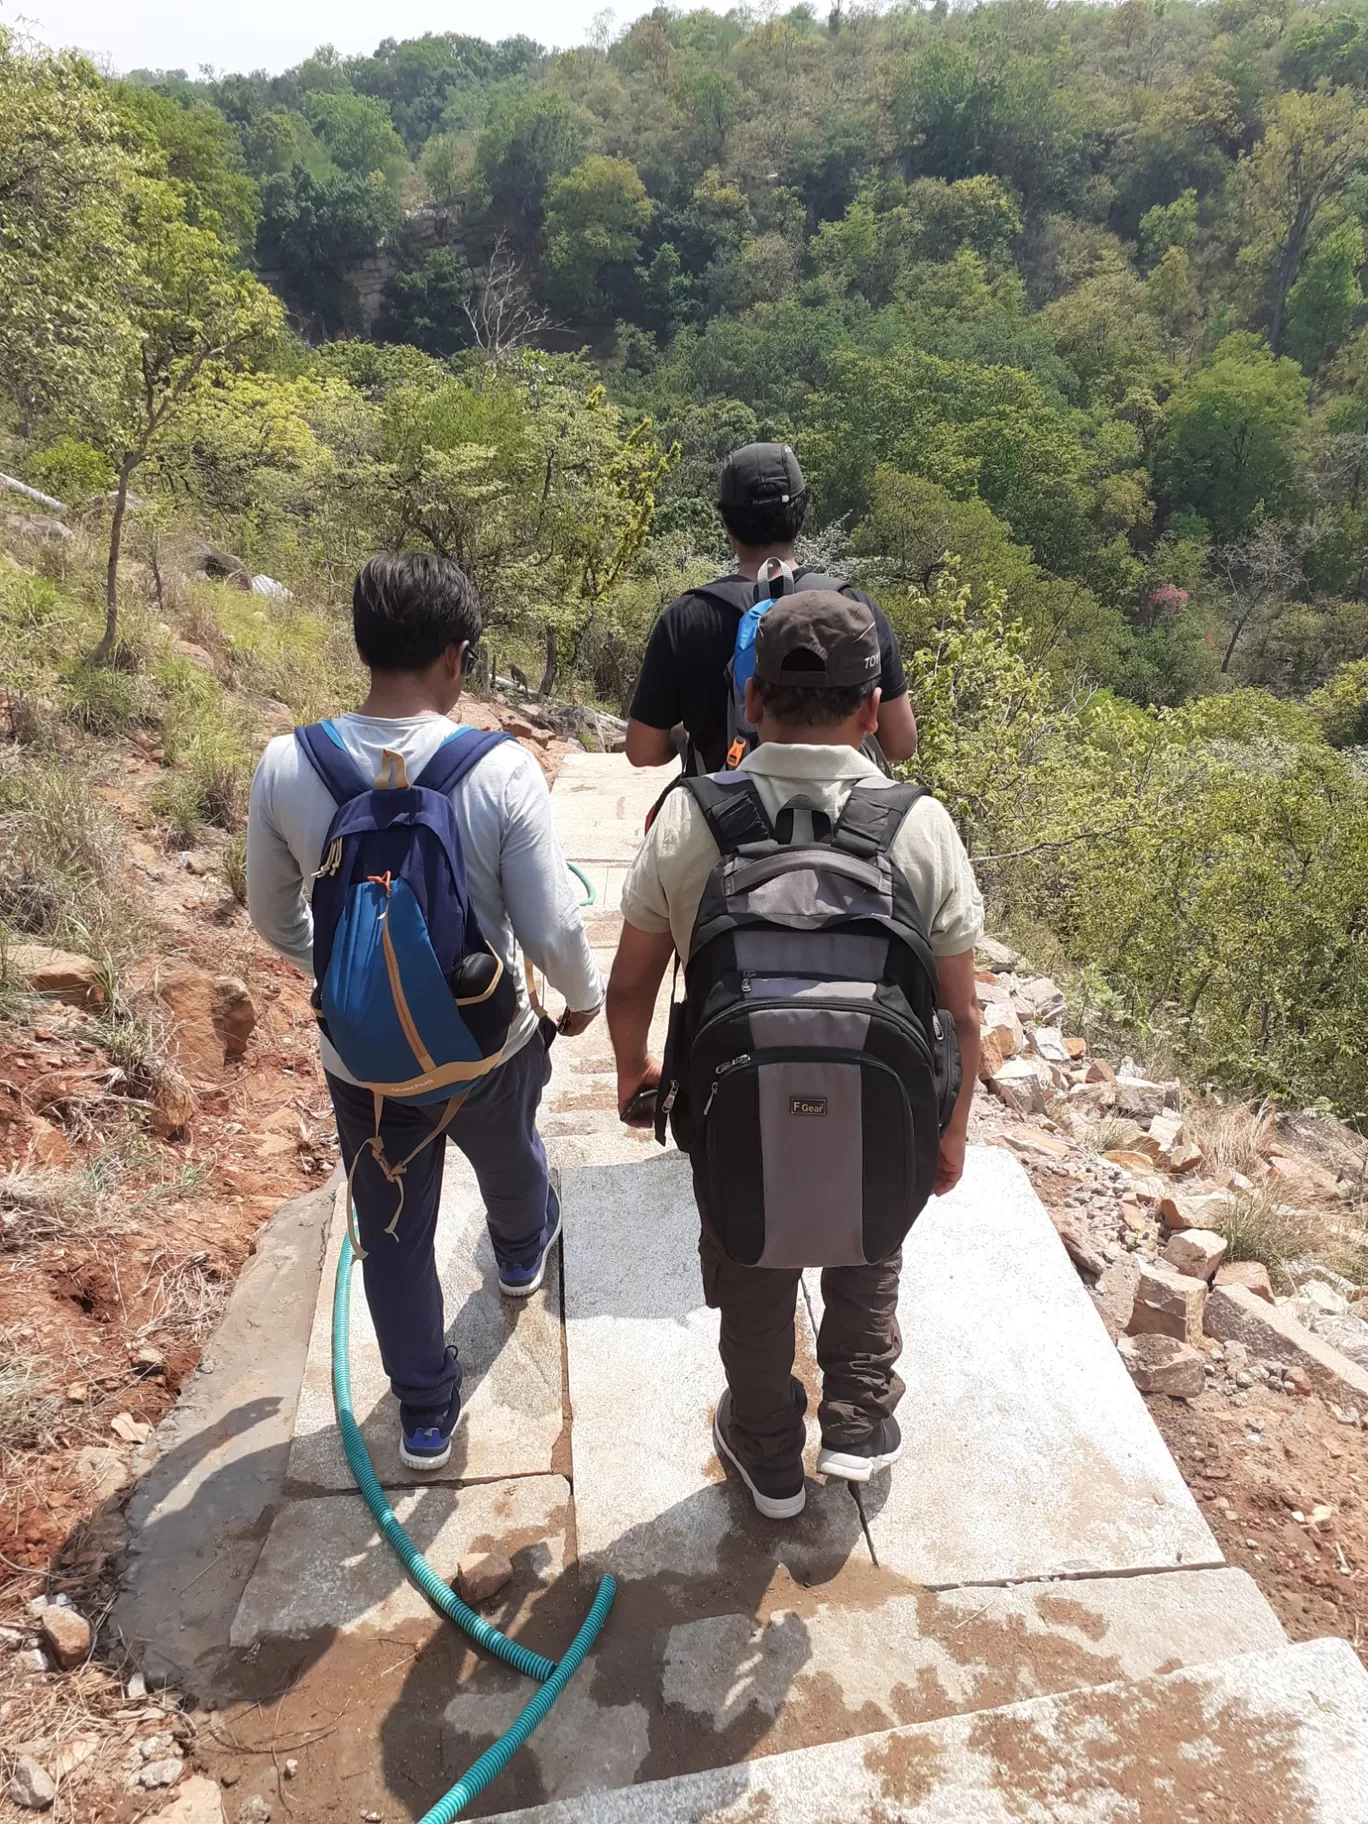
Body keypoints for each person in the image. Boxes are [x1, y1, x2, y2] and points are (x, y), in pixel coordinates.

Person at [607, 592, 982, 1521]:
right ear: (869, 710)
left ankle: (768, 1450)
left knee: (752, 1266)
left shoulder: (692, 819)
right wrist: (952, 1127)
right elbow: (963, 1015)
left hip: (740, 1113)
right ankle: (856, 1421)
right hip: (882, 1107)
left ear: (748, 698)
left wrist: (634, 1074)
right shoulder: (917, 825)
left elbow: (632, 986)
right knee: (867, 1246)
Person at [247, 552, 603, 1470]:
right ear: (457, 655)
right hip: (486, 1042)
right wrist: (584, 997)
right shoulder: (499, 770)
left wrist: (345, 973)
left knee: (394, 1231)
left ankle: (425, 1416)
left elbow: (268, 910)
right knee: (514, 1152)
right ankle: (522, 1255)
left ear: (363, 646)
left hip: (363, 1069)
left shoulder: (290, 764)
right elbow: (551, 923)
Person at [624, 441, 918, 775]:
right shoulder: (855, 610)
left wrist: (683, 740)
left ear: (727, 524)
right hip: (842, 822)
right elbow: (901, 743)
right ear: (801, 514)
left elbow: (641, 750)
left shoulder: (685, 618)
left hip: (725, 820)